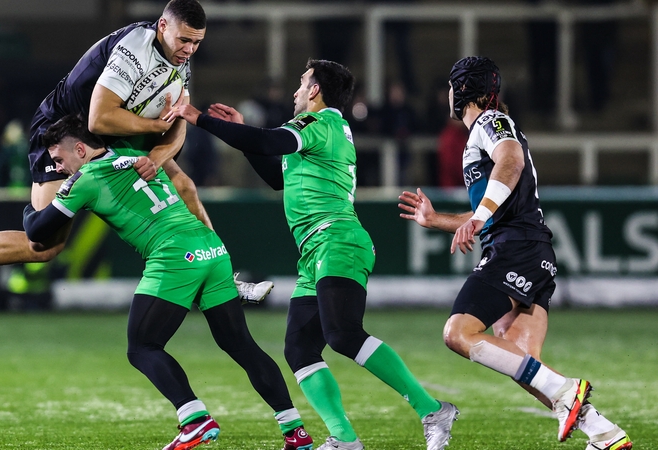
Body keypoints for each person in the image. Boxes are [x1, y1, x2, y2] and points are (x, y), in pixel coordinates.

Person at [0, 0, 271, 310]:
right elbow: (101, 117)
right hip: (65, 131)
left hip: (112, 136)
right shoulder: (134, 49)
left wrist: (157, 158)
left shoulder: (179, 60)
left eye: (197, 43)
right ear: (162, 26)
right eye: (185, 40)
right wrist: (155, 127)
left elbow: (178, 126)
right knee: (43, 245)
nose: (189, 50)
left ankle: (224, 279)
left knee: (185, 185)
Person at [167, 59, 459, 450]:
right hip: (316, 250)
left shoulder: (319, 124)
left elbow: (267, 142)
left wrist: (198, 117)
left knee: (343, 334)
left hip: (336, 240)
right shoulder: (322, 132)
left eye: (302, 83)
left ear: (316, 90)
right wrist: (237, 129)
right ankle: (344, 439)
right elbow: (276, 176)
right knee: (300, 348)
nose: (296, 91)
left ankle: (432, 409)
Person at [26, 114, 314, 450]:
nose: (59, 168)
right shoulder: (134, 156)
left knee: (142, 346)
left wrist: (30, 208)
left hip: (175, 254)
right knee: (240, 345)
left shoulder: (85, 178)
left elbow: (37, 231)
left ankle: (194, 419)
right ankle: (295, 430)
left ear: (80, 148)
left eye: (60, 159)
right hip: (212, 248)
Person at [398, 56, 632, 450]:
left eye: (452, 87)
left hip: (515, 248)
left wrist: (479, 218)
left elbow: (511, 161)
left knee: (458, 333)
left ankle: (568, 389)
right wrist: (437, 220)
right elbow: (490, 208)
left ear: (462, 90)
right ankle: (603, 432)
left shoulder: (490, 122)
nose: (448, 95)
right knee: (522, 361)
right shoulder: (487, 128)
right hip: (531, 248)